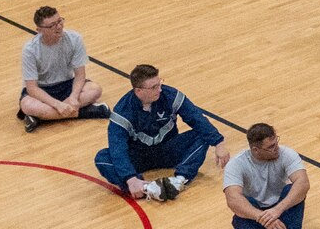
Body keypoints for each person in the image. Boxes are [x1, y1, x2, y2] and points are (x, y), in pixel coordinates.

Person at [96, 65, 227, 202]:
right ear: (138, 91)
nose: (159, 89)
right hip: (138, 156)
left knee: (203, 135)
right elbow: (118, 148)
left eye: (160, 83)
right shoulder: (122, 111)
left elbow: (196, 117)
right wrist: (130, 178)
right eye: (153, 87)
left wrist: (219, 142)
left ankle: (178, 182)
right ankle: (147, 188)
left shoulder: (170, 96)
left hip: (168, 149)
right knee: (102, 158)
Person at [223, 124, 311, 229]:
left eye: (276, 142)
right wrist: (261, 217)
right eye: (270, 147)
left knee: (293, 191)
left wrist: (277, 210)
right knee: (241, 211)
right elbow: (232, 199)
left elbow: (303, 183)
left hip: (281, 216)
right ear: (255, 150)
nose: (276, 148)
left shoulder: (286, 153)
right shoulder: (236, 164)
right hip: (257, 218)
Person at [17, 5, 108, 132]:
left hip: (67, 85)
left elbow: (80, 75)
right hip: (42, 89)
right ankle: (86, 112)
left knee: (95, 89)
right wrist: (58, 105)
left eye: (60, 21)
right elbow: (32, 88)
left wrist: (74, 97)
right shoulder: (30, 49)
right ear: (39, 30)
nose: (59, 27)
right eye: (52, 25)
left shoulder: (75, 39)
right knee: (27, 105)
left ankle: (40, 119)